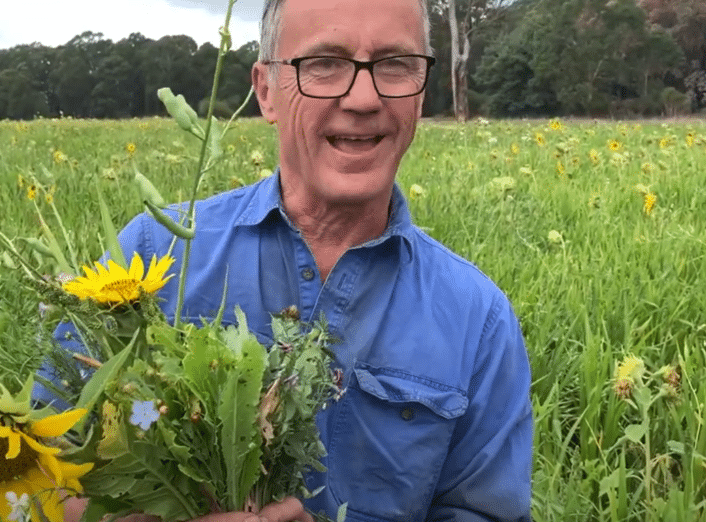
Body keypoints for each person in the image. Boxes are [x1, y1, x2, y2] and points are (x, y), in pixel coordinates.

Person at [40, 0, 533, 520]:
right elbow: (47, 472)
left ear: (421, 90)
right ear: (266, 90)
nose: (364, 98)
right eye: (324, 63)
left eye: (395, 64)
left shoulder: (478, 318)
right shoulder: (150, 257)